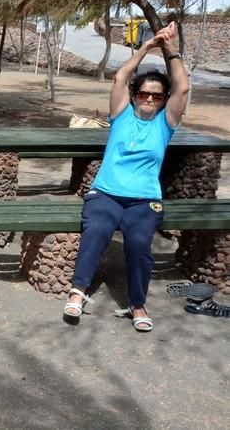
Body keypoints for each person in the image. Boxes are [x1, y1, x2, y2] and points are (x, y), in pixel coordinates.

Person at [63, 21, 189, 332]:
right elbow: (120, 76)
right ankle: (78, 291)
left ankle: (137, 303)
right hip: (105, 193)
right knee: (98, 230)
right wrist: (147, 46)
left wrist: (168, 48)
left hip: (144, 200)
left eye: (157, 96)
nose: (150, 99)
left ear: (163, 101)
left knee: (138, 242)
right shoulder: (120, 115)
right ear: (135, 96)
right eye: (144, 94)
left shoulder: (164, 124)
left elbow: (183, 87)